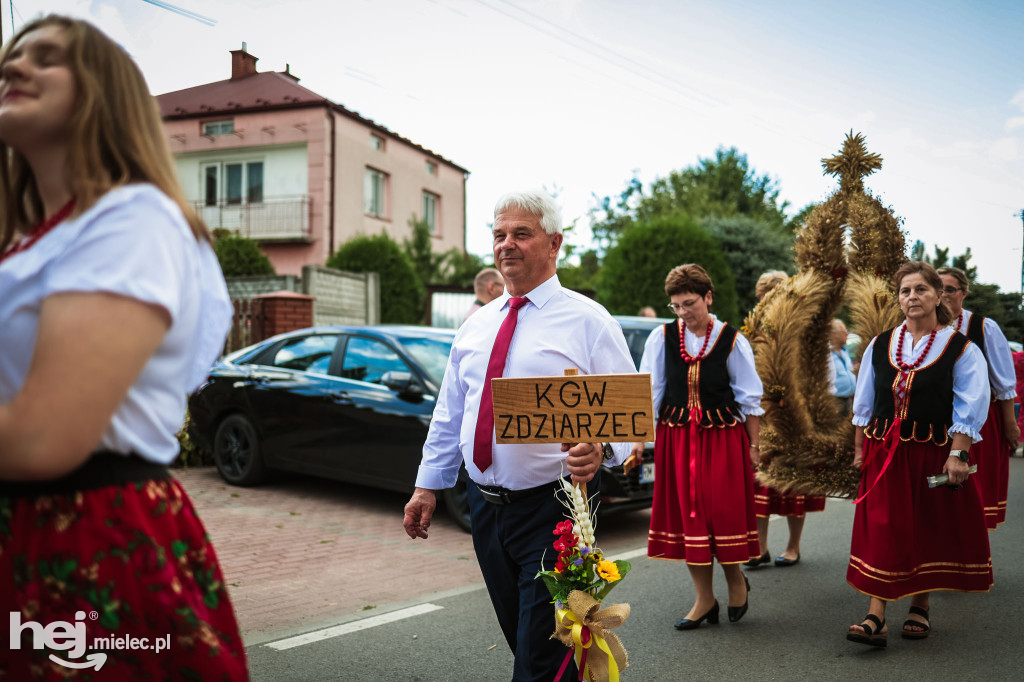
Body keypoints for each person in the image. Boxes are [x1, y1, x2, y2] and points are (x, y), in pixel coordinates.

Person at [0, 16, 247, 679]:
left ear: (103, 96)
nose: (15, 67)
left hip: (80, 531)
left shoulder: (131, 218)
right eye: (12, 56)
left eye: (46, 59)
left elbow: (40, 438)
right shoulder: (27, 240)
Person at [402, 190, 636, 681]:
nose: (506, 244)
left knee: (540, 656)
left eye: (521, 234)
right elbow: (451, 412)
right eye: (499, 234)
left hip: (558, 510)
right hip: (485, 511)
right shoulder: (475, 326)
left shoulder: (589, 321)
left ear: (554, 243)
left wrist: (602, 449)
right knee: (526, 640)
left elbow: (628, 421)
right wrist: (428, 485)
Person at [846, 261, 991, 647]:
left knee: (923, 527)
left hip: (931, 453)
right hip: (882, 453)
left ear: (938, 295)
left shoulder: (960, 348)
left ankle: (920, 606)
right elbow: (865, 403)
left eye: (921, 290)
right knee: (883, 527)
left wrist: (959, 454)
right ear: (898, 298)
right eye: (905, 291)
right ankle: (875, 615)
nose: (912, 297)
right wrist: (859, 451)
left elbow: (970, 404)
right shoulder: (880, 343)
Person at [632, 264, 762, 630]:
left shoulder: (732, 340)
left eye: (689, 303)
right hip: (676, 439)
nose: (683, 312)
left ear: (708, 297)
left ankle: (736, 579)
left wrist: (755, 447)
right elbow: (650, 392)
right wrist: (640, 442)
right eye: (675, 306)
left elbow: (750, 399)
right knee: (691, 517)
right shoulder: (661, 338)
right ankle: (705, 598)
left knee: (722, 514)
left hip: (722, 439)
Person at [746, 269, 826, 568]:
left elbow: (811, 373)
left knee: (794, 482)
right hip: (761, 414)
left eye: (772, 296)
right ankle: (761, 547)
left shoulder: (800, 330)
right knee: (760, 482)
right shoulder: (753, 332)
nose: (767, 302)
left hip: (793, 414)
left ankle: (793, 546)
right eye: (762, 297)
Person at [937, 266, 1020, 528]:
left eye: (950, 289)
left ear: (963, 293)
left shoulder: (984, 327)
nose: (944, 294)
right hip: (937, 419)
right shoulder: (927, 327)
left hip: (978, 423)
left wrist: (1009, 424)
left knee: (970, 492)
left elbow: (1005, 384)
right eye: (938, 289)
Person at [829, 319, 857, 414]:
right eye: (845, 332)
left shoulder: (844, 351)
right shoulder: (827, 354)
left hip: (848, 399)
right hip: (834, 401)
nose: (848, 334)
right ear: (835, 334)